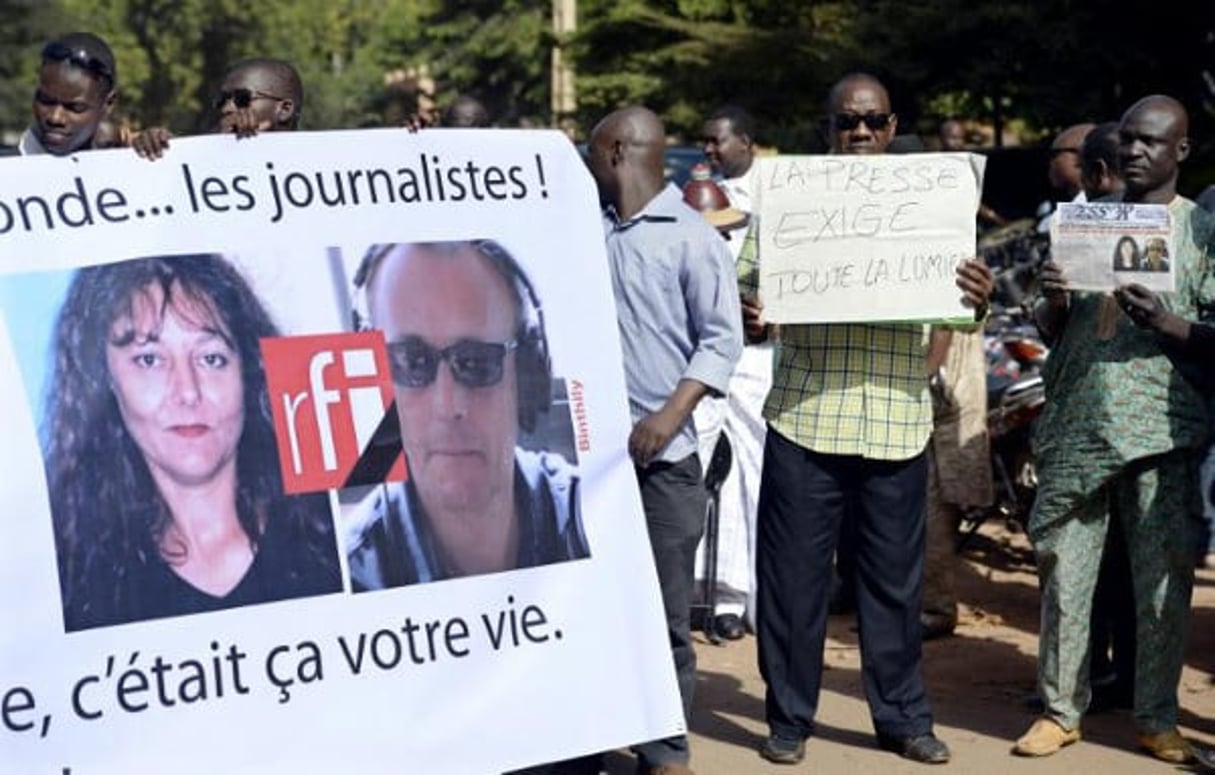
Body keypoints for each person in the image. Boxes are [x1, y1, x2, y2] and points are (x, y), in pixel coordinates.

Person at [741, 72, 994, 767]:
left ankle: (903, 717)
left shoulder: (933, 206)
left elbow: (957, 310)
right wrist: (752, 312)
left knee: (892, 585)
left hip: (893, 420)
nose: (858, 133)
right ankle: (789, 717)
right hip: (803, 417)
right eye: (845, 122)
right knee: (793, 582)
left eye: (872, 121)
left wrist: (976, 298)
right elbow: (749, 296)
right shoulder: (788, 204)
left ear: (889, 127)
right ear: (827, 129)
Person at [1014, 95, 1214, 763]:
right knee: (1064, 572)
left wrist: (1167, 323)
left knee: (1162, 581)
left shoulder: (1199, 230)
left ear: (1178, 152)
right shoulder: (1080, 221)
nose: (1132, 151)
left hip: (1162, 427)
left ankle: (1155, 716)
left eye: (1149, 142)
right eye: (1126, 139)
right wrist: (1055, 297)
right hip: (1078, 424)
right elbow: (1051, 331)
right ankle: (1059, 709)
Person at [46, 255, 342, 631]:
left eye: (212, 358)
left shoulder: (339, 530)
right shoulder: (76, 588)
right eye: (150, 359)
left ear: (250, 372)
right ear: (103, 383)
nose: (187, 391)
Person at [587, 105, 743, 775]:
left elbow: (720, 340)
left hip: (664, 462)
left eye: (594, 151)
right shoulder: (585, 231)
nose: (590, 164)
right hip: (591, 464)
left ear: (619, 149)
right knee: (594, 611)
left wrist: (668, 414)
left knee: (662, 613)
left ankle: (664, 748)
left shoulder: (689, 236)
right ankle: (586, 736)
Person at [344, 241, 589, 589]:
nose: (448, 406)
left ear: (526, 374)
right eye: (410, 362)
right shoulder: (348, 575)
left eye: (476, 363)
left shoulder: (592, 515)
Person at [693, 104, 771, 642]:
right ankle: (706, 589)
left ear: (747, 141)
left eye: (718, 141)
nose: (710, 151)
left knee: (754, 473)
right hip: (702, 356)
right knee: (695, 468)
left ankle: (753, 597)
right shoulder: (697, 197)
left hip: (759, 360)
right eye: (705, 142)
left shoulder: (777, 200)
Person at [920, 325, 993, 640]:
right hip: (937, 393)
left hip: (945, 396)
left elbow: (945, 324)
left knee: (932, 514)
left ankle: (934, 610)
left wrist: (926, 374)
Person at [132, 58, 304, 159]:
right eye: (222, 100)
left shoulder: (319, 168)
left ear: (285, 109)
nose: (227, 109)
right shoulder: (209, 153)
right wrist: (160, 148)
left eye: (242, 98)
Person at [21, 32, 117, 156]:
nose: (55, 117)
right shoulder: (8, 167)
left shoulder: (131, 164)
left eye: (75, 107)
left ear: (108, 104)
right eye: (46, 101)